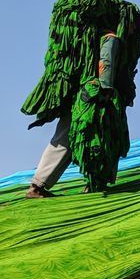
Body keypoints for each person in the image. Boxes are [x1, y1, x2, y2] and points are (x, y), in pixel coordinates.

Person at [26, 30, 118, 198]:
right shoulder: (108, 38)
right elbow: (106, 64)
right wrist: (105, 90)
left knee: (65, 136)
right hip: (93, 96)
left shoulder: (82, 36)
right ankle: (94, 183)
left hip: (76, 94)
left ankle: (39, 184)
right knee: (93, 139)